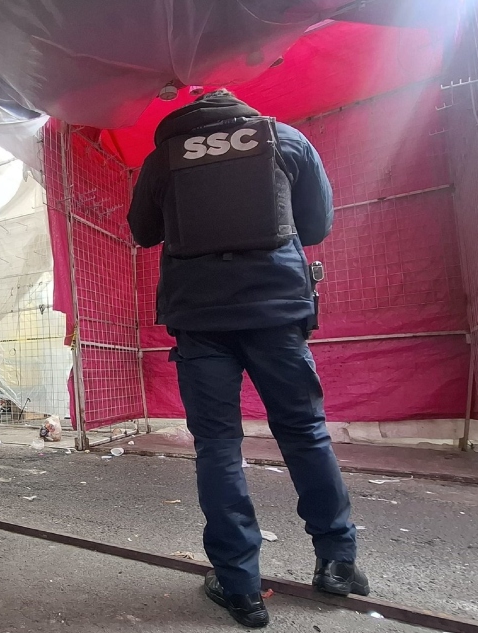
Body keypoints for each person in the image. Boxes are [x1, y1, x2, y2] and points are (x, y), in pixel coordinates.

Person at [127, 89, 366, 628]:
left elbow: (143, 231)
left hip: (201, 318)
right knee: (305, 433)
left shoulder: (164, 156)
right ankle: (337, 564)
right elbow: (317, 225)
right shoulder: (284, 139)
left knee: (218, 446)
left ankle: (240, 588)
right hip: (276, 311)